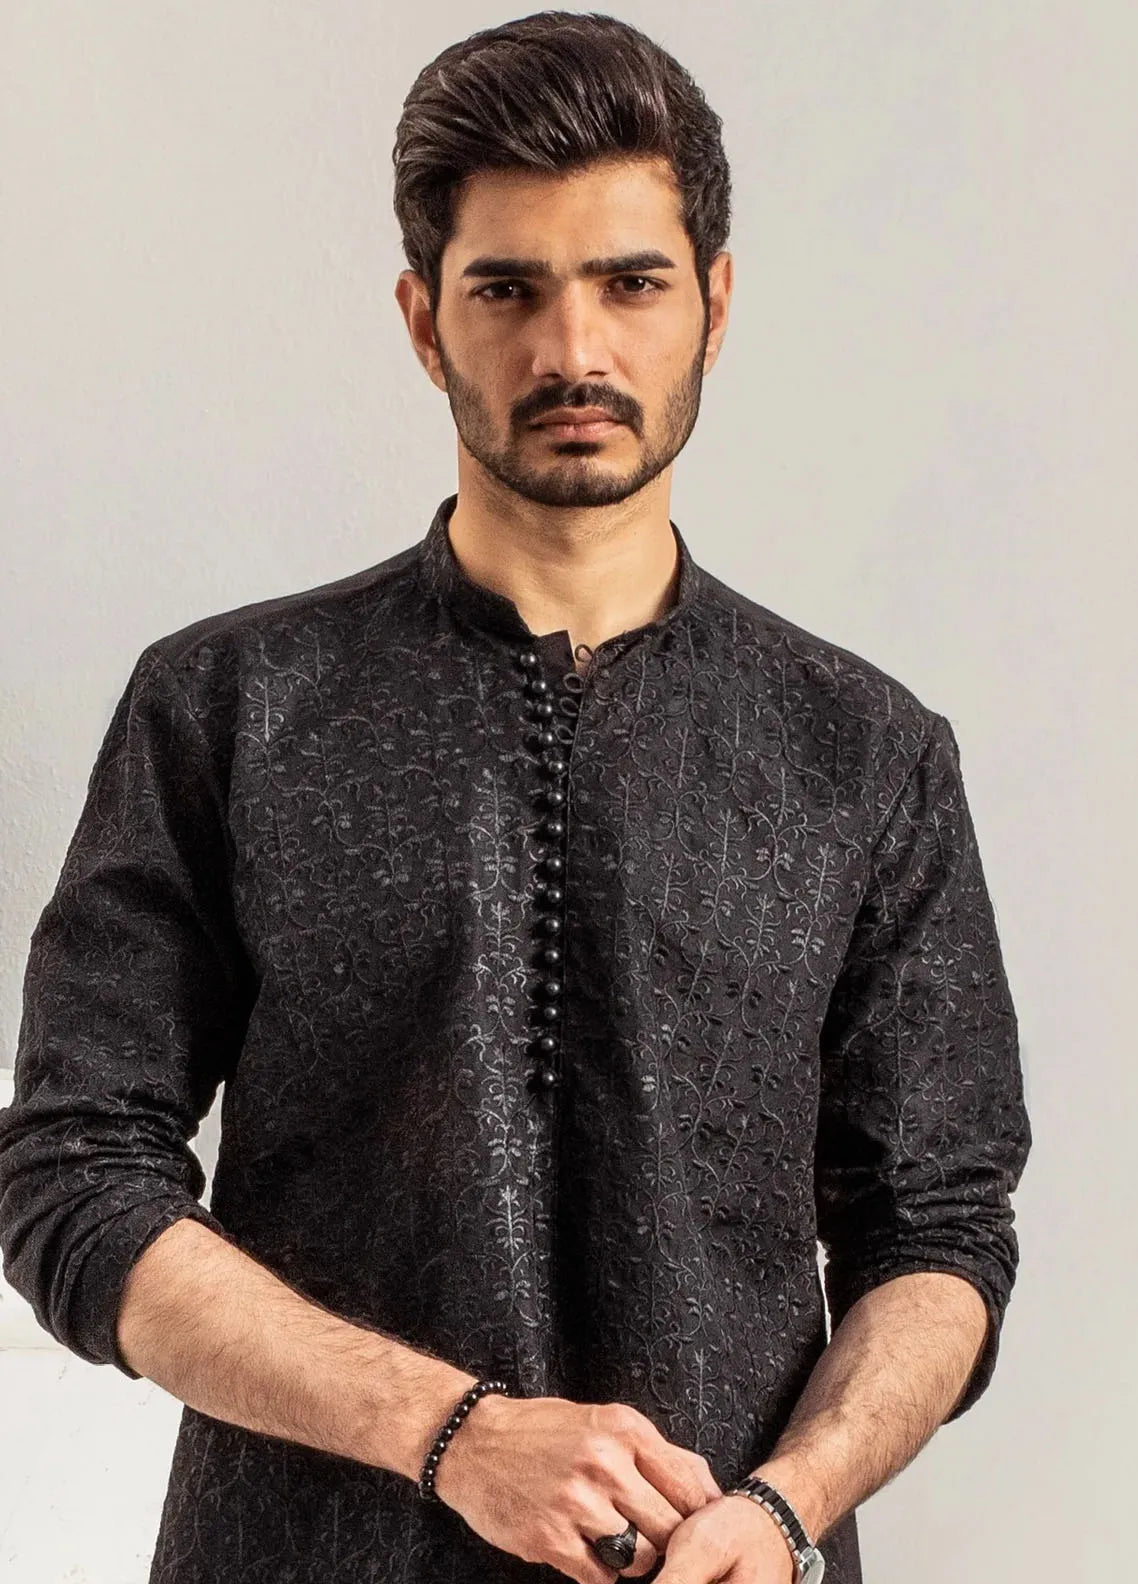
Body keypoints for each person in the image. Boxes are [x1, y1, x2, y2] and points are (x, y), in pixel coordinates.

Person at [0, 12, 1032, 1584]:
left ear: (714, 305)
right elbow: (74, 1176)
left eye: (630, 284)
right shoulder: (227, 707)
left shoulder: (863, 751)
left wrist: (787, 1505)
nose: (572, 352)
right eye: (507, 290)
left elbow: (936, 1232)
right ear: (424, 321)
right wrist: (449, 1431)